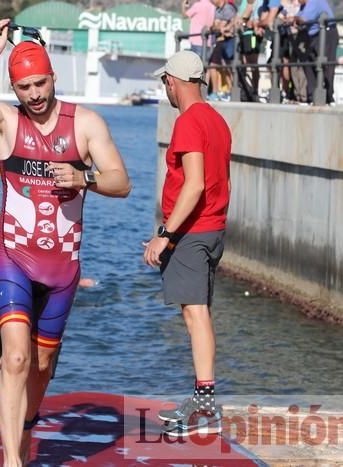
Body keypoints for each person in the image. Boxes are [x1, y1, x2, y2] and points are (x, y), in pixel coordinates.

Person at [0, 20, 131, 466]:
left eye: (39, 83)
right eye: (24, 86)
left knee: (41, 368)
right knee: (13, 359)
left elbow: (121, 182)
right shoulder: (6, 120)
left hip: (63, 269)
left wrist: (84, 178)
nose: (33, 94)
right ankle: (11, 459)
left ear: (53, 77)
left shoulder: (85, 123)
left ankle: (25, 431)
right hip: (14, 258)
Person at [145, 50, 231, 437]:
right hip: (212, 230)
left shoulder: (188, 122)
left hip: (192, 235)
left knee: (196, 315)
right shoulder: (217, 120)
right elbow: (219, 182)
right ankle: (203, 397)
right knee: (198, 314)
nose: (165, 88)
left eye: (165, 82)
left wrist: (165, 235)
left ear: (173, 83)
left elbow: (194, 184)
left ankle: (206, 403)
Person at [286, 0, 338, 104]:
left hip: (326, 34)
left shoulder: (314, 2)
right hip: (313, 35)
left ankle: (328, 97)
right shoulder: (304, 6)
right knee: (309, 64)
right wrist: (292, 19)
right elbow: (299, 17)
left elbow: (303, 19)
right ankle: (312, 96)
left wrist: (293, 19)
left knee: (325, 66)